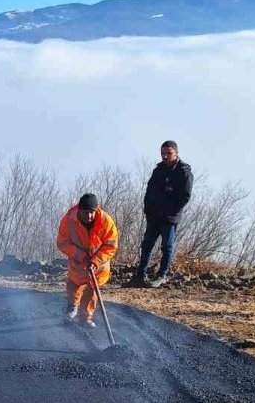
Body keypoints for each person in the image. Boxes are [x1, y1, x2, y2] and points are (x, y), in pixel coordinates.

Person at [130, 140, 193, 288]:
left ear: (176, 153)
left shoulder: (184, 171)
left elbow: (185, 196)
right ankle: (140, 275)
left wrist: (171, 210)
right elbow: (149, 191)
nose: (165, 157)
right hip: (154, 215)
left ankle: (162, 275)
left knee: (167, 246)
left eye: (169, 154)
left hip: (170, 217)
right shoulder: (158, 170)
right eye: (163, 154)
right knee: (147, 245)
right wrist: (148, 209)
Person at [56, 193, 119, 328]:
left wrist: (95, 261)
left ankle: (85, 317)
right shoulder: (68, 220)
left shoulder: (106, 222)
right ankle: (72, 308)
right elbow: (62, 243)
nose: (89, 216)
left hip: (98, 264)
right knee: (74, 284)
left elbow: (111, 245)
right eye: (86, 212)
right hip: (78, 261)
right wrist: (79, 254)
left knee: (92, 290)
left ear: (97, 210)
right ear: (80, 210)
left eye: (92, 212)